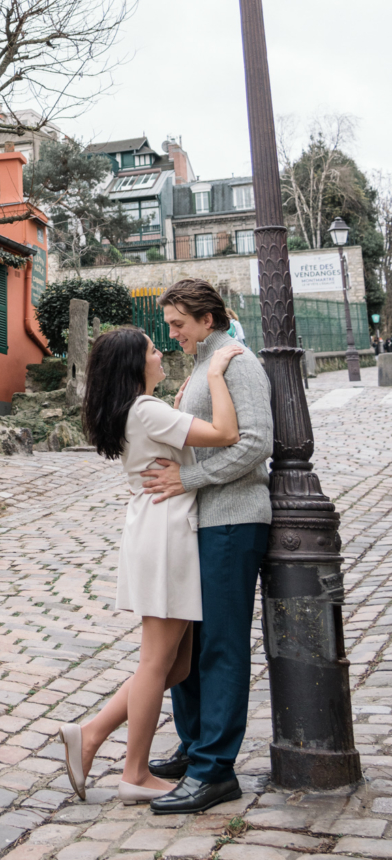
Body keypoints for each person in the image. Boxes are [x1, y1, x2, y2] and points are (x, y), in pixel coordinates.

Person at [59, 325, 242, 805]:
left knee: (173, 666)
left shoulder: (138, 411)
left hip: (156, 529)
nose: (162, 354)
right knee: (157, 662)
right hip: (165, 535)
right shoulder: (147, 410)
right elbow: (226, 433)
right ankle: (134, 773)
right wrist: (218, 373)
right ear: (136, 366)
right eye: (154, 350)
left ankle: (92, 734)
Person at [139, 279, 273, 815]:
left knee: (220, 645)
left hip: (233, 521)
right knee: (187, 646)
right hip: (200, 524)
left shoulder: (237, 361)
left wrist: (189, 481)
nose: (171, 335)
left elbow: (257, 442)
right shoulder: (203, 364)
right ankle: (195, 746)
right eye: (168, 325)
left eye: (178, 325)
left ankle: (216, 769)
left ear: (208, 320)